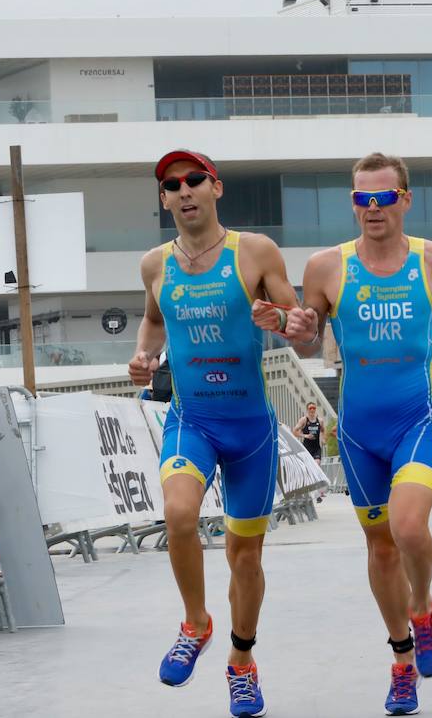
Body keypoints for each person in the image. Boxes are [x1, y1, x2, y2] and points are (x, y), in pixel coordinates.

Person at [292, 151, 432, 716]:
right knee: (379, 549)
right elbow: (307, 338)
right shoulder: (326, 267)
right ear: (353, 203)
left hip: (417, 419)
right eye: (361, 199)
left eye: (383, 197)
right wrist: (299, 327)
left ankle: (423, 609)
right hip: (357, 431)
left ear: (405, 199)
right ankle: (402, 662)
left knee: (408, 527)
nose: (372, 209)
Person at [129, 149, 314, 717]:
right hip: (193, 420)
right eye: (171, 185)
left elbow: (304, 330)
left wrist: (281, 319)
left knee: (245, 559)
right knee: (179, 515)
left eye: (193, 181)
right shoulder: (154, 265)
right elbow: (155, 323)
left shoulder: (254, 251)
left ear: (216, 188)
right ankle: (196, 622)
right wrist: (141, 356)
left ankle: (241, 660)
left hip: (251, 431)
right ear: (164, 199)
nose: (183, 191)